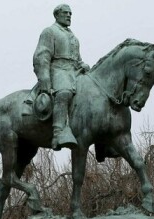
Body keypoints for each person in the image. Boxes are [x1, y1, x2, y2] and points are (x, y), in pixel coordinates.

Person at [33, 4, 90, 150]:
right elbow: (42, 56)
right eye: (65, 13)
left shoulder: (73, 37)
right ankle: (58, 133)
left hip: (73, 71)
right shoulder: (50, 31)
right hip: (57, 70)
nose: (69, 15)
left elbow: (77, 59)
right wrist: (44, 78)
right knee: (64, 92)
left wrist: (82, 65)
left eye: (70, 13)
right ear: (57, 15)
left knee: (94, 95)